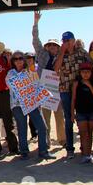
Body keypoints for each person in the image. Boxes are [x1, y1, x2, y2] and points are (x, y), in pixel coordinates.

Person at [6, 51, 55, 160]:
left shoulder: (31, 71)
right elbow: (11, 86)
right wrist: (23, 77)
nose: (18, 61)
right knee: (22, 129)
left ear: (24, 60)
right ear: (13, 61)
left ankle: (43, 151)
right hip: (17, 105)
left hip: (32, 103)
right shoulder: (10, 74)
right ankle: (24, 152)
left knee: (42, 127)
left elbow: (37, 85)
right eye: (15, 59)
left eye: (20, 58)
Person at [54, 31, 92, 159]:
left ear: (74, 40)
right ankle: (70, 149)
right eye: (64, 41)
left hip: (81, 89)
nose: (67, 43)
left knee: (82, 117)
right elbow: (55, 69)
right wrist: (62, 52)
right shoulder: (60, 53)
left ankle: (84, 147)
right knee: (68, 119)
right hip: (65, 89)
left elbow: (91, 66)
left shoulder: (81, 52)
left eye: (69, 40)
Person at [32, 10, 66, 147]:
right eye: (50, 44)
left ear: (58, 48)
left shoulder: (62, 57)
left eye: (55, 45)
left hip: (57, 90)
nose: (52, 46)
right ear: (47, 46)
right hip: (43, 91)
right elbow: (35, 39)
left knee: (59, 117)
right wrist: (35, 22)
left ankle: (62, 140)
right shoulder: (41, 54)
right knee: (44, 118)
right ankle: (46, 142)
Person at [71, 62, 93, 164]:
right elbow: (73, 99)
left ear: (91, 73)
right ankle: (85, 155)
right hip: (80, 112)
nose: (85, 74)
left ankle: (89, 154)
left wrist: (89, 85)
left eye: (88, 72)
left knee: (90, 132)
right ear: (80, 73)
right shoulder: (76, 83)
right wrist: (72, 113)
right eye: (83, 72)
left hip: (92, 111)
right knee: (84, 134)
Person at [24, 52, 39, 143]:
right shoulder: (23, 70)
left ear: (33, 59)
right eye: (27, 58)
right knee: (30, 117)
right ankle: (34, 134)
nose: (29, 60)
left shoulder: (38, 68)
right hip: (26, 95)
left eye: (30, 58)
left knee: (37, 116)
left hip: (37, 95)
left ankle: (38, 133)